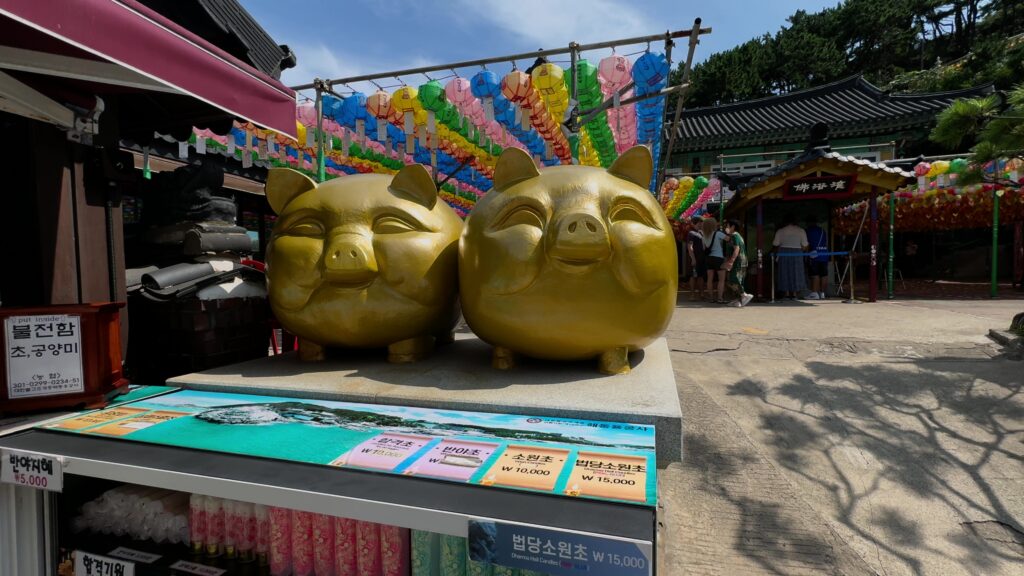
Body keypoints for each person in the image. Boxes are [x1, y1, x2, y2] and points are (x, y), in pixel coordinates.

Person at [773, 213, 808, 299]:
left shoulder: (780, 231)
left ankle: (787, 293)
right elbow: (805, 245)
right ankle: (795, 293)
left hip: (784, 253)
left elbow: (775, 243)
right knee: (796, 273)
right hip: (797, 253)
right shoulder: (801, 230)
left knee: (785, 272)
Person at [722, 219, 754, 307]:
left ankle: (744, 295)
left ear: (733, 227)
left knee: (733, 279)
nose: (726, 228)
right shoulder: (739, 236)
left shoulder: (734, 236)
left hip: (737, 261)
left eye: (728, 226)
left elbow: (736, 249)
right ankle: (738, 300)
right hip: (742, 261)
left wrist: (731, 261)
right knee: (737, 279)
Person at [702, 216, 729, 303]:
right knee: (721, 280)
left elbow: (704, 248)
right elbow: (728, 239)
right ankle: (720, 298)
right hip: (718, 258)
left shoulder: (704, 236)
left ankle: (711, 298)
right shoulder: (718, 233)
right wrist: (728, 232)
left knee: (709, 279)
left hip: (709, 258)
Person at [805, 218, 829, 299]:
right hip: (824, 254)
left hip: (814, 255)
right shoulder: (822, 230)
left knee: (815, 274)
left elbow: (806, 244)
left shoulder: (808, 231)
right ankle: (822, 293)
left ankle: (815, 293)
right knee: (824, 274)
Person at [686, 216, 707, 301]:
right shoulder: (691, 233)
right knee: (693, 276)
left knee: (701, 276)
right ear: (694, 223)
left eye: (702, 222)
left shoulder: (701, 233)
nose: (701, 224)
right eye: (699, 223)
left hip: (702, 258)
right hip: (695, 258)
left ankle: (701, 294)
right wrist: (693, 259)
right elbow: (690, 247)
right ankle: (692, 295)